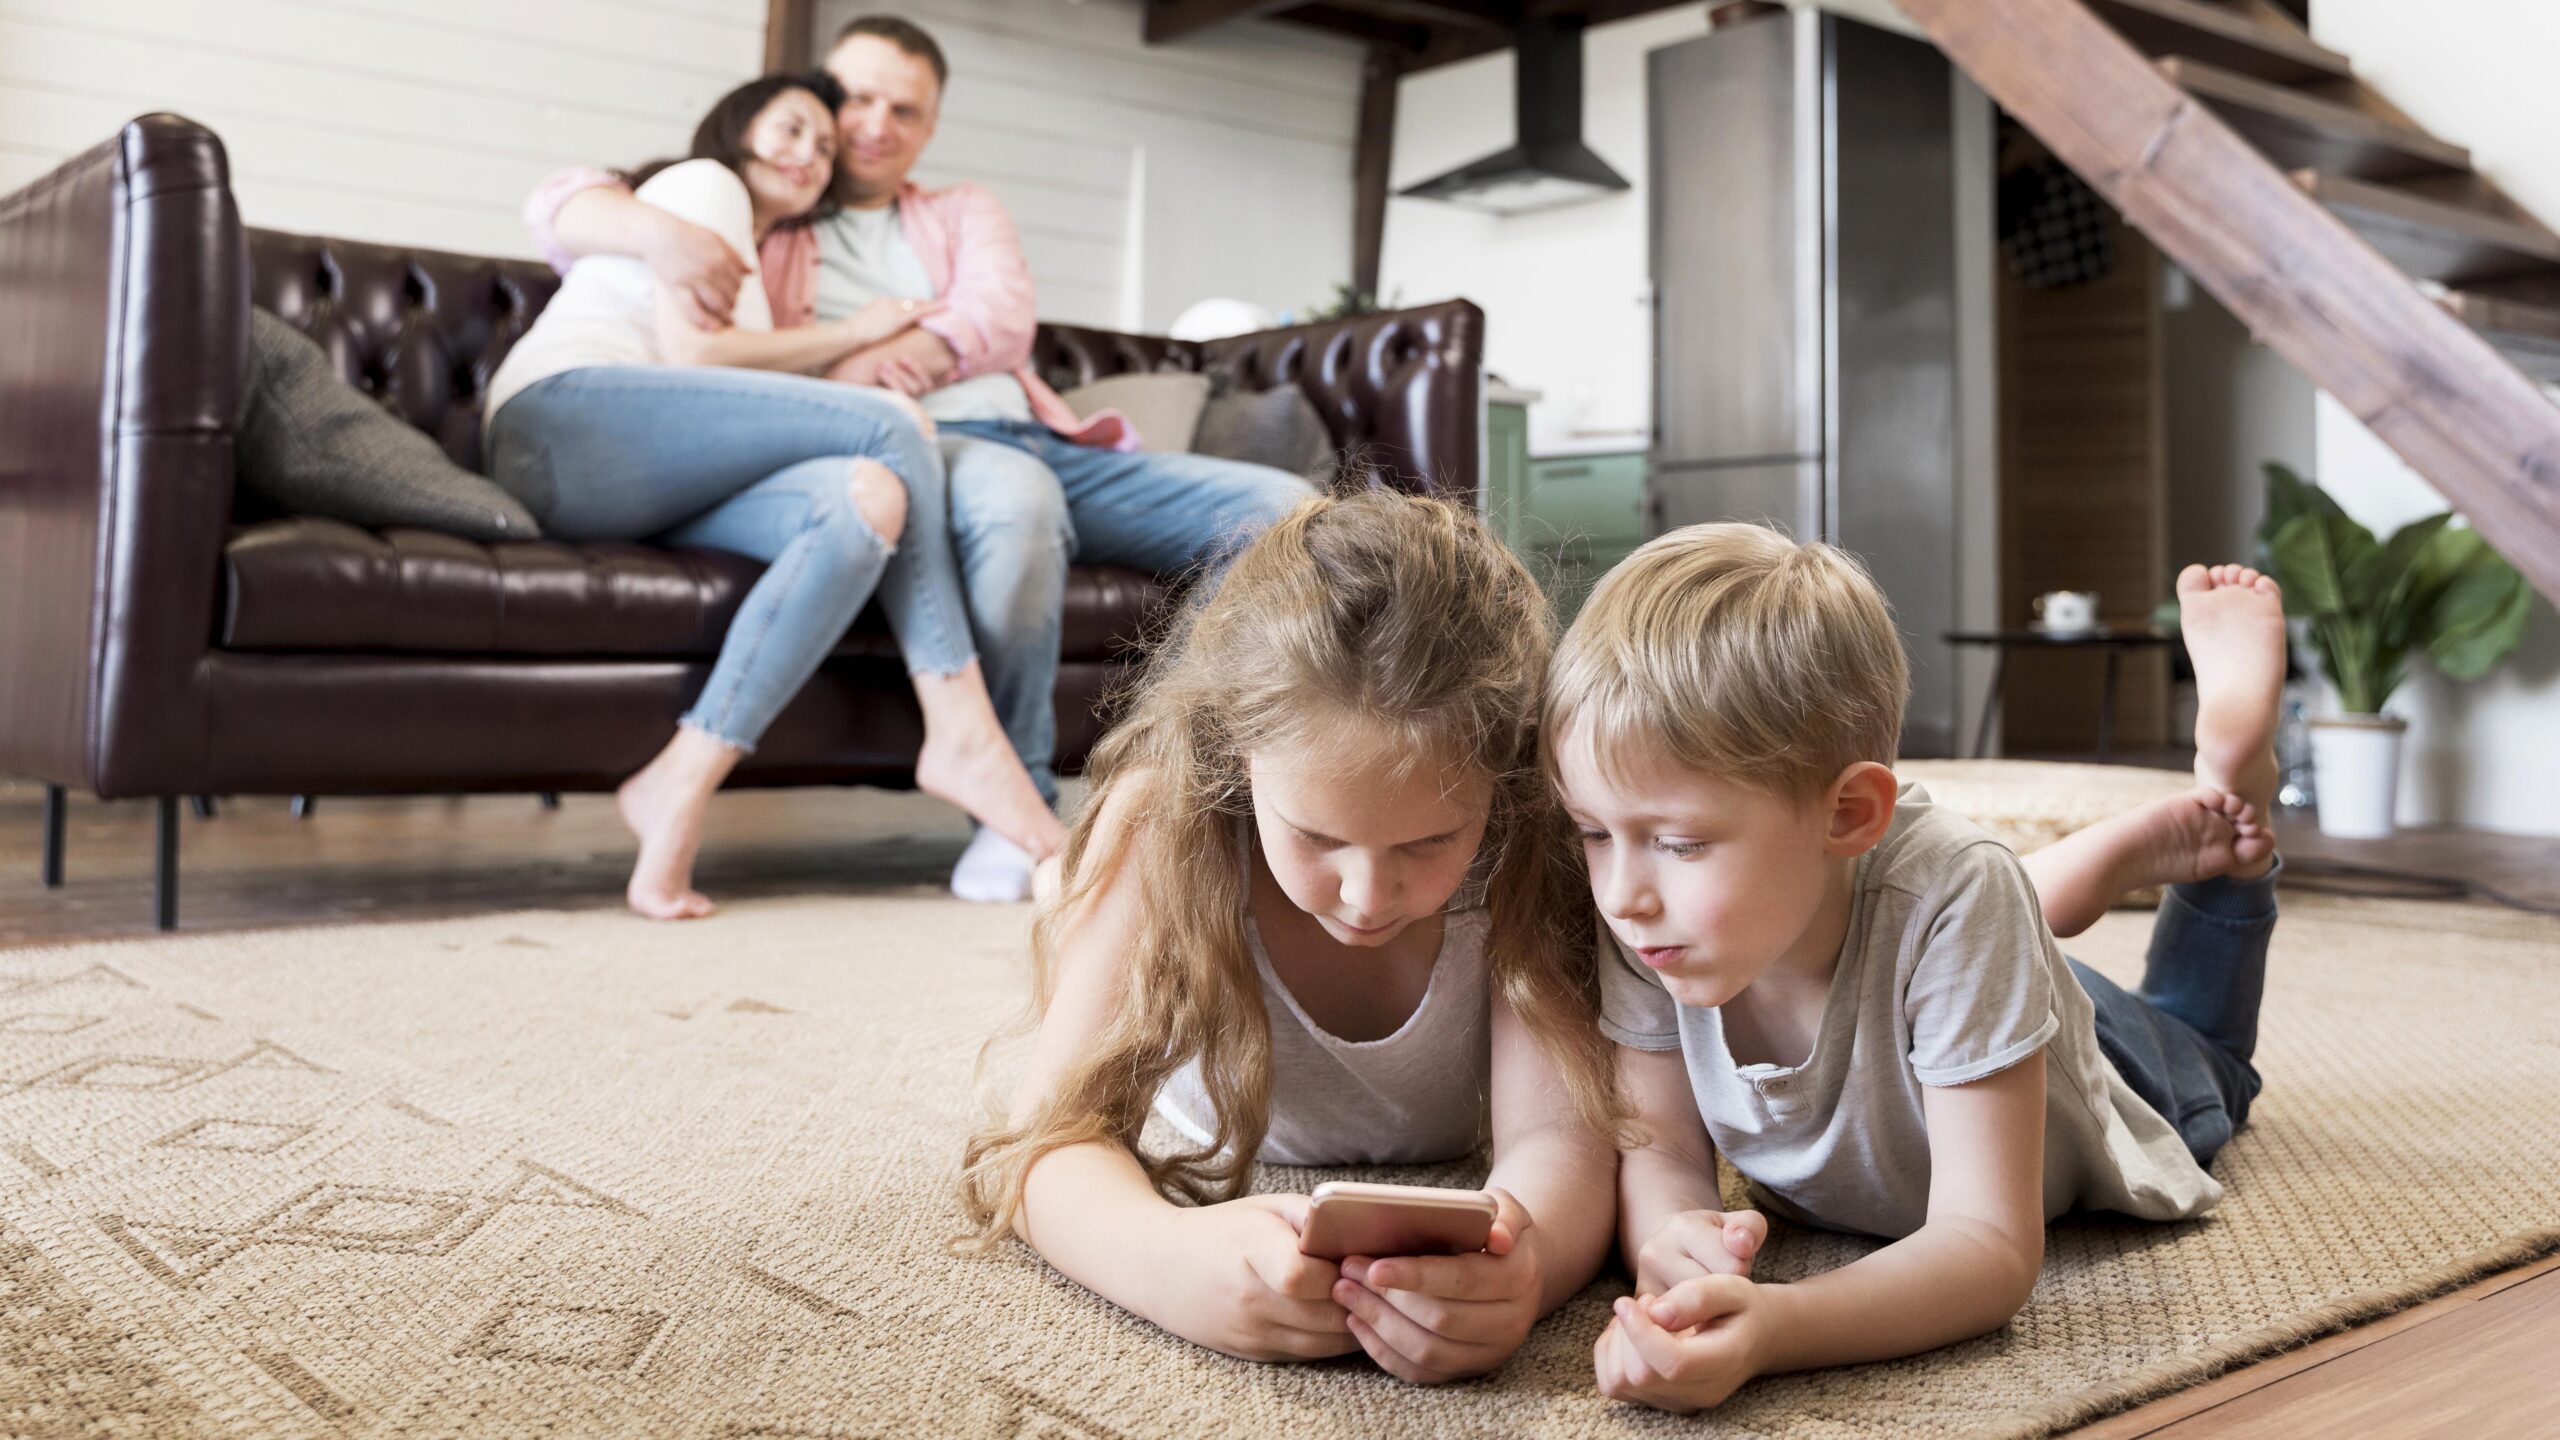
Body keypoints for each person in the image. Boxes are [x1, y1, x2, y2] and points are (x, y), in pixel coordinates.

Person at [525, 15, 1320, 903]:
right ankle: (1007, 808)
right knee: (1014, 511)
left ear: (930, 127)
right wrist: (843, 359)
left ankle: (1165, 779)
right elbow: (564, 206)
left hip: (1046, 437)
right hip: (948, 454)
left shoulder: (961, 209)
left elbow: (1000, 315)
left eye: (904, 110)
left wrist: (882, 357)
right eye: (856, 99)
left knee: (1284, 514)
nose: (875, 123)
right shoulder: (772, 218)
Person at [1546, 529, 2289, 1413]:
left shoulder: (1953, 893)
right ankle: (2051, 891)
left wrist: (1778, 1326)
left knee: (2208, 1049)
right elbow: (1662, 1147)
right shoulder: (1652, 920)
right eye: (1592, 831)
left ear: (1851, 813)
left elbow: (1986, 1247)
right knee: (1947, 911)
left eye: (1678, 843)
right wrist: (1674, 1233)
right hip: (1927, 970)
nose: (1621, 892)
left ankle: (2235, 807)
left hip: (2097, 1051)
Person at [956, 491, 1625, 1383]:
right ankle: (1060, 885)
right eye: (1316, 837)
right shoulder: (1167, 820)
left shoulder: (1526, 837)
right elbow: (1038, 1145)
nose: (1365, 893)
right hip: (1159, 872)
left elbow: (1563, 1143)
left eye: (1428, 843)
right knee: (1084, 888)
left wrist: (1524, 1263)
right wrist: (1161, 1257)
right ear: (1236, 752)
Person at [484, 71, 1065, 920]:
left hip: (645, 471)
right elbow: (691, 355)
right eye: (792, 129)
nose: (810, 154)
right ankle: (964, 733)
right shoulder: (702, 187)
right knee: (893, 428)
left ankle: (679, 778)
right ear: (739, 128)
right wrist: (860, 334)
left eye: (824, 148)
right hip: (563, 423)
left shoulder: (756, 272)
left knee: (864, 499)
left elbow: (718, 374)